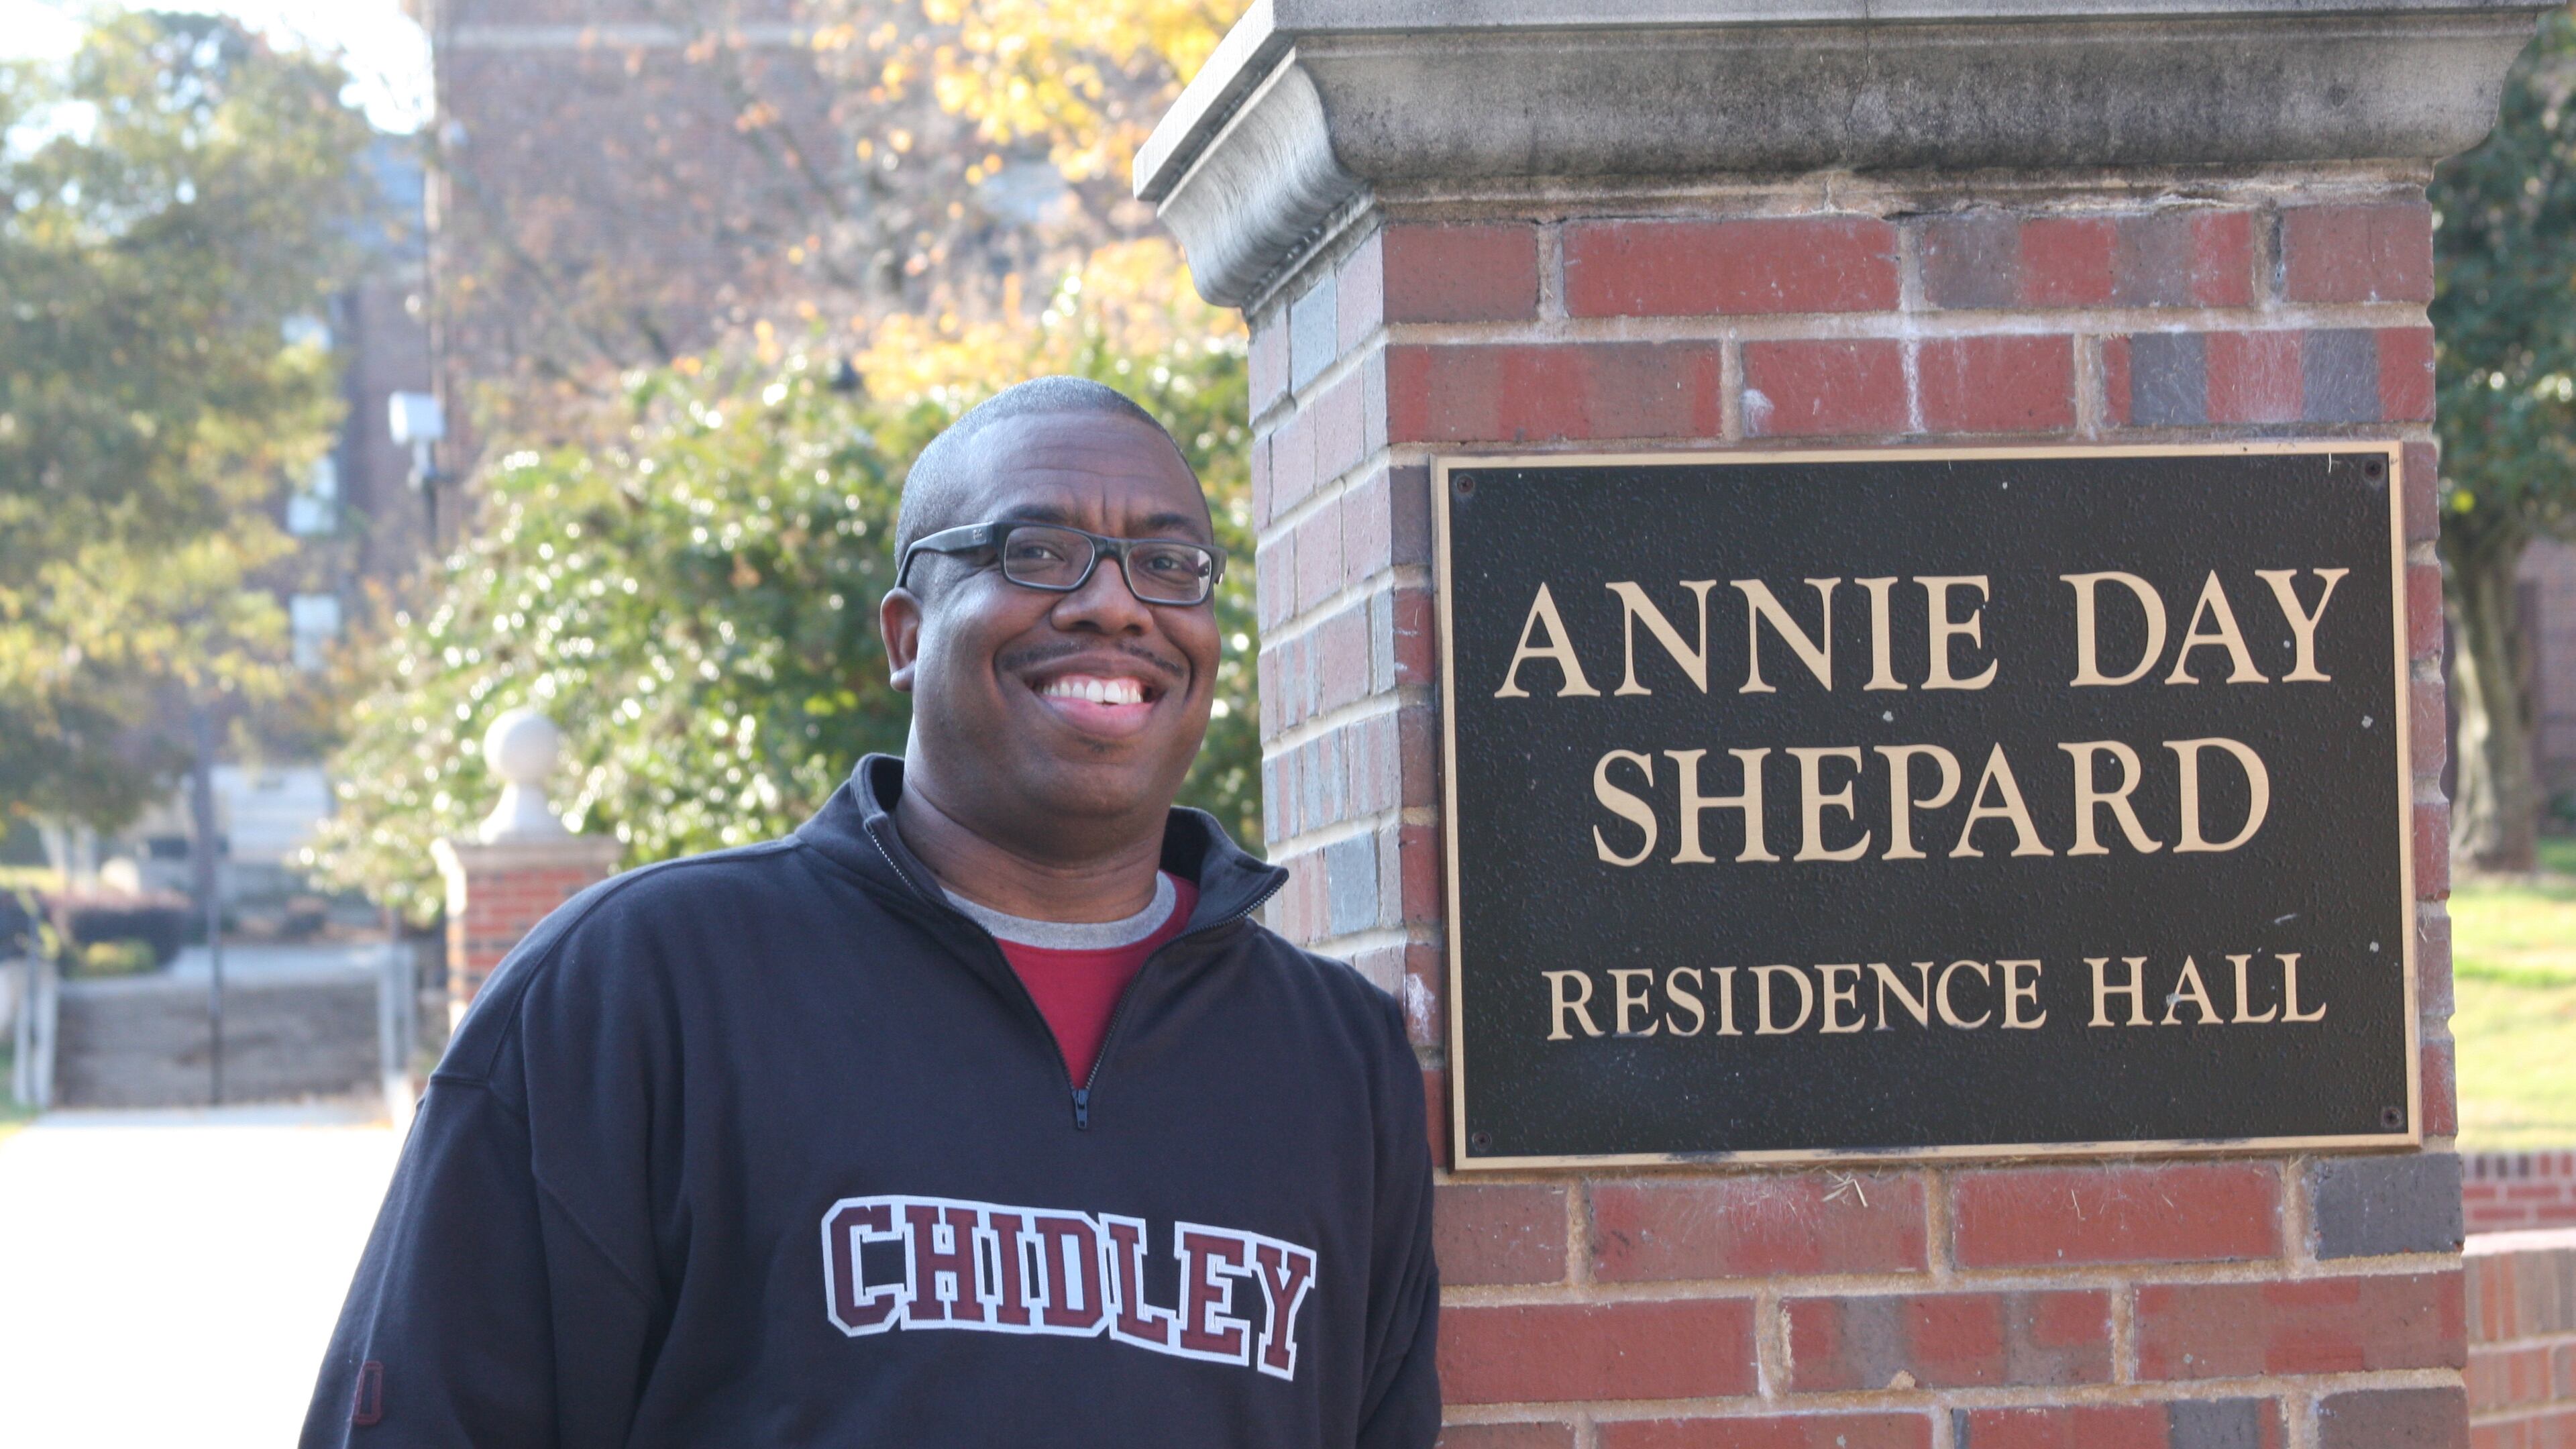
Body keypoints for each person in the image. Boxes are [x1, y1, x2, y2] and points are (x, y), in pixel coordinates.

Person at [303, 376, 1441, 1448]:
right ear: (906, 636)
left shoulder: (1335, 1058)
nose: (1113, 602)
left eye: (1168, 563)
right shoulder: (640, 988)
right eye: (1035, 551)